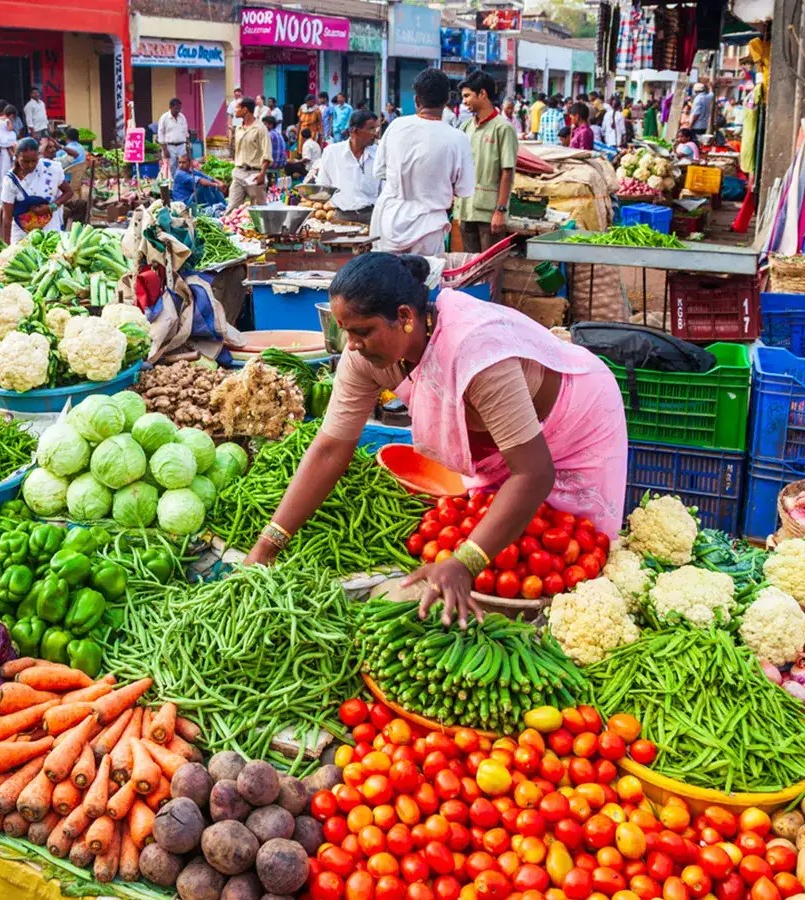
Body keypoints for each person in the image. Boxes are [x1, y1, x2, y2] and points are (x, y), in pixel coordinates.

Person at [243, 252, 627, 627]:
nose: (352, 345)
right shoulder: (364, 356)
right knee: (509, 546)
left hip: (574, 422)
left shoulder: (475, 349)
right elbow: (330, 448)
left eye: (361, 331)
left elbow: (533, 473)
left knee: (574, 557)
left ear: (406, 318)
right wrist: (267, 546)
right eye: (345, 331)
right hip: (500, 443)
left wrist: (465, 562)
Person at [371, 69, 473, 257]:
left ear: (417, 101)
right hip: (429, 228)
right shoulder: (458, 138)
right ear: (447, 101)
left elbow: (380, 171)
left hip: (389, 223)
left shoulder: (396, 127)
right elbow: (464, 190)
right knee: (424, 283)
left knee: (386, 283)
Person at [454, 71, 517, 253]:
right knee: (471, 265)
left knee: (491, 265)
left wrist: (500, 210)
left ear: (482, 94)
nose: (464, 101)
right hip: (466, 209)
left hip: (489, 211)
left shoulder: (503, 128)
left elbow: (507, 172)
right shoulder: (466, 127)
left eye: (467, 96)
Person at [0, 136, 72, 245]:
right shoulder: (10, 180)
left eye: (34, 161)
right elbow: (7, 217)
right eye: (25, 161)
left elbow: (69, 192)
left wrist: (51, 207)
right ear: (16, 157)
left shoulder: (51, 170)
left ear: (38, 156)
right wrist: (6, 247)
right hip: (22, 233)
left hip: (49, 229)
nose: (30, 165)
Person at [314, 110, 381, 222]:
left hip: (373, 216)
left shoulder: (379, 154)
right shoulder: (332, 153)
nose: (376, 133)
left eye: (377, 128)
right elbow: (323, 185)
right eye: (371, 129)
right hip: (342, 216)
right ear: (355, 131)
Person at [226, 97, 272, 211]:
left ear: (245, 109)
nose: (234, 110)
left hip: (254, 174)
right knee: (232, 208)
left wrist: (262, 174)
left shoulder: (260, 128)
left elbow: (267, 154)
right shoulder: (238, 128)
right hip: (239, 172)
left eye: (237, 107)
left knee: (258, 211)